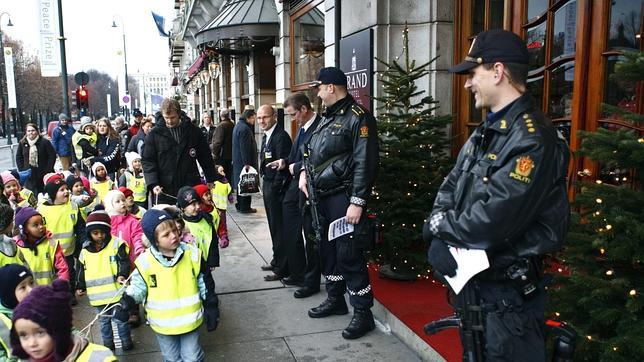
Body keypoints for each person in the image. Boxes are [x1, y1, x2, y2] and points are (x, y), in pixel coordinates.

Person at [424, 29, 570, 361]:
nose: (466, 84)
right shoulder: (486, 132)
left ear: (498, 71)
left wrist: (437, 229)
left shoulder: (533, 139)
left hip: (509, 301)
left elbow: (492, 222)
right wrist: (437, 232)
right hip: (479, 293)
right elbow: (449, 187)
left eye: (472, 74)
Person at [299, 67, 379, 339]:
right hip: (322, 197)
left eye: (319, 88)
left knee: (349, 254)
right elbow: (311, 151)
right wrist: (301, 172)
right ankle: (336, 299)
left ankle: (363, 313)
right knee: (328, 251)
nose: (318, 93)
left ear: (331, 87)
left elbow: (365, 163)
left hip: (344, 198)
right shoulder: (326, 118)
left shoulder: (358, 118)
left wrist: (357, 202)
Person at [115, 209, 213, 362]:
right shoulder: (145, 262)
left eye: (174, 229)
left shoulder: (192, 254)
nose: (174, 235)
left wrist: (211, 305)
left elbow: (204, 282)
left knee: (192, 357)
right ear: (154, 240)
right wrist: (126, 303)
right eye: (166, 235)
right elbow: (138, 288)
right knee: (171, 358)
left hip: (190, 320)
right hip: (163, 325)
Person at [268, 92, 322, 298]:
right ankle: (298, 271)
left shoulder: (320, 128)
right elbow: (295, 156)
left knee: (311, 237)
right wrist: (284, 163)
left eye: (293, 114)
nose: (292, 119)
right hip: (294, 189)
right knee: (291, 232)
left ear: (304, 110)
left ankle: (311, 281)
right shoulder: (301, 129)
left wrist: (295, 167)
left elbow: (319, 158)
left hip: (310, 191)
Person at [10, 279, 117, 361]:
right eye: (23, 335)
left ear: (59, 330)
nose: (32, 343)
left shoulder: (98, 358)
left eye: (40, 332)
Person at [142, 98, 218, 205]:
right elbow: (148, 160)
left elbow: (205, 156)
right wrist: (153, 183)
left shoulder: (193, 131)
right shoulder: (154, 134)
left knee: (191, 216)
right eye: (166, 118)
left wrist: (210, 177)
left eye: (172, 117)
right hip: (164, 186)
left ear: (179, 114)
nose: (169, 121)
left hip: (189, 181)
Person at [76, 211, 134, 351]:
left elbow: (124, 262)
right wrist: (80, 286)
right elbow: (80, 269)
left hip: (116, 292)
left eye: (102, 232)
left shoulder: (116, 244)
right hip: (97, 296)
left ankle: (126, 341)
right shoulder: (85, 251)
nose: (100, 236)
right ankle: (108, 344)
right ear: (90, 233)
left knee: (121, 319)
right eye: (95, 233)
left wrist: (122, 275)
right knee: (103, 322)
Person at [256, 105, 293, 283]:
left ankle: (282, 268)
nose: (262, 121)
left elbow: (283, 166)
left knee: (279, 228)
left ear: (275, 117)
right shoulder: (267, 136)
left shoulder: (281, 137)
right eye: (259, 118)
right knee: (273, 226)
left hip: (276, 189)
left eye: (265, 117)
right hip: (268, 185)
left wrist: (276, 189)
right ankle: (277, 260)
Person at [176, 186, 220, 331]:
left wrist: (213, 260)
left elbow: (213, 240)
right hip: (188, 266)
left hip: (205, 263)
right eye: (191, 205)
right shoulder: (180, 225)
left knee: (208, 290)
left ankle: (211, 316)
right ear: (183, 208)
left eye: (197, 203)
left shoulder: (206, 219)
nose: (196, 207)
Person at [37, 178, 86, 298]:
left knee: (70, 272)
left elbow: (80, 227)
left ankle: (70, 295)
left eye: (66, 189)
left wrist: (84, 240)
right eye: (61, 190)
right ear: (53, 194)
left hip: (68, 250)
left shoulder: (73, 207)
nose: (66, 192)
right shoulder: (42, 210)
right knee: (53, 274)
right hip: (50, 250)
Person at [13, 207, 69, 285]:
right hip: (28, 293)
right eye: (35, 225)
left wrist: (62, 288)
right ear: (24, 230)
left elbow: (62, 268)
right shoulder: (16, 246)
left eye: (42, 223)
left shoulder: (51, 243)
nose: (41, 226)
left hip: (50, 291)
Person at [0, 264, 34, 362]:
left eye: (31, 283)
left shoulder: (41, 305)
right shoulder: (2, 321)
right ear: (9, 294)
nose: (31, 289)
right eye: (23, 287)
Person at [15, 123, 56, 195]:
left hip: (43, 174)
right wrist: (22, 170)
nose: (31, 132)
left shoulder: (44, 142)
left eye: (33, 130)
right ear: (26, 132)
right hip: (29, 175)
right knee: (31, 195)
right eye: (28, 131)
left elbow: (52, 156)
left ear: (37, 131)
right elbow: (19, 157)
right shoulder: (22, 143)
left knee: (44, 195)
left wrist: (48, 170)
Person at [231, 108, 258, 213]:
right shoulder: (245, 129)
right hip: (244, 162)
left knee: (240, 184)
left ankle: (240, 204)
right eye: (253, 118)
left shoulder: (238, 126)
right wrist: (247, 163)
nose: (254, 121)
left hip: (238, 161)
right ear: (248, 117)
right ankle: (245, 207)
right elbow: (245, 147)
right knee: (247, 183)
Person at [211, 108, 234, 179]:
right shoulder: (232, 124)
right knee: (228, 175)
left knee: (221, 176)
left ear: (220, 116)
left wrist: (214, 153)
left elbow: (217, 142)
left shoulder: (221, 126)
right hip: (230, 155)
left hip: (222, 156)